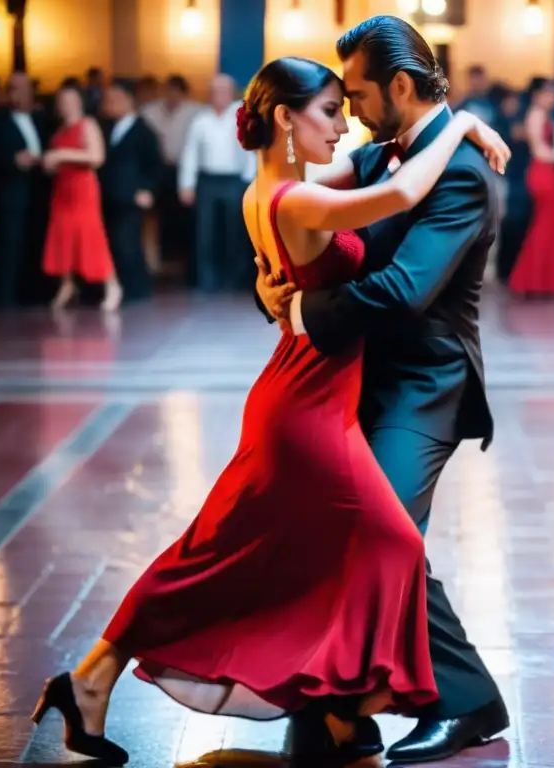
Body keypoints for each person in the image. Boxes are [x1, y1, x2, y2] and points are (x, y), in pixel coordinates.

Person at [29, 56, 508, 766]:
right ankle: (358, 700)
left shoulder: (280, 190)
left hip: (305, 392)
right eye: (328, 110)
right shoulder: (300, 200)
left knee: (217, 551)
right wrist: (466, 120)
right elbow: (405, 191)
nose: (343, 122)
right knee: (388, 545)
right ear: (286, 118)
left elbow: (374, 186)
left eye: (350, 105)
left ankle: (92, 679)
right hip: (309, 410)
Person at [256, 15, 512, 764]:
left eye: (361, 95)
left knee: (386, 529)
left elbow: (403, 291)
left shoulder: (460, 171)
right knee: (333, 526)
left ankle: (467, 702)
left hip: (426, 382)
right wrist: (272, 279)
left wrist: (302, 313)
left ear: (401, 85)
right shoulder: (379, 157)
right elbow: (302, 223)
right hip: (355, 376)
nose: (354, 112)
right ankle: (338, 701)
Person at [41, 85, 123, 311]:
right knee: (63, 235)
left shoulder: (87, 125)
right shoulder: (59, 132)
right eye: (62, 101)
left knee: (90, 235)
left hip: (82, 189)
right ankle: (67, 284)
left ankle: (112, 284)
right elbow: (54, 164)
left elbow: (96, 157)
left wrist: (61, 155)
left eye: (70, 100)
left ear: (79, 102)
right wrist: (48, 162)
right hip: (62, 188)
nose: (65, 105)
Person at [507, 77, 554, 297]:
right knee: (544, 226)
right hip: (542, 171)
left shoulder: (542, 114)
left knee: (548, 226)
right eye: (549, 93)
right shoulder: (536, 114)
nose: (553, 97)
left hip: (547, 171)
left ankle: (540, 281)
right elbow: (539, 150)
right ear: (537, 94)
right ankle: (533, 281)